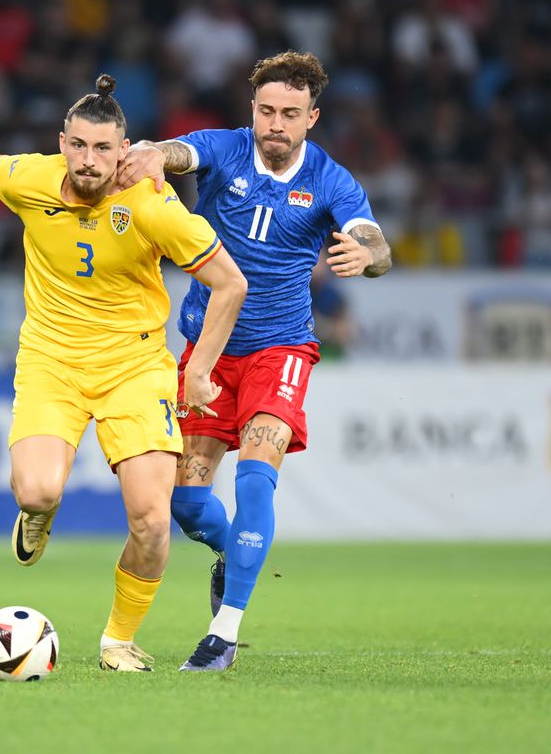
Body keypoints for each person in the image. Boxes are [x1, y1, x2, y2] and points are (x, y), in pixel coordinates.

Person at [0, 75, 247, 672]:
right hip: (52, 360)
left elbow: (230, 282)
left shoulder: (151, 202)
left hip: (135, 365)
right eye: (79, 146)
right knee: (37, 488)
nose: (89, 162)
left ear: (125, 152)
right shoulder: (32, 178)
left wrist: (198, 370)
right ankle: (37, 514)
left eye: (103, 150)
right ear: (61, 143)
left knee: (151, 519)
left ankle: (118, 641)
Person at [117, 51, 392, 671]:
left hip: (280, 349)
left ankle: (224, 633)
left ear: (311, 118)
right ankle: (231, 555)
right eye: (267, 110)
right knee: (185, 506)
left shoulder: (330, 180)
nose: (275, 123)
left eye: (289, 114)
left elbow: (375, 242)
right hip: (207, 352)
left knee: (254, 478)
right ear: (253, 110)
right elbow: (178, 152)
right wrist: (154, 155)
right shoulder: (226, 148)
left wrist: (366, 257)